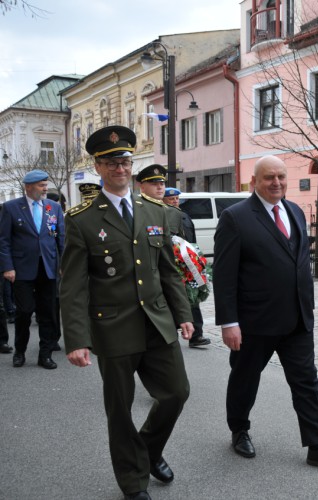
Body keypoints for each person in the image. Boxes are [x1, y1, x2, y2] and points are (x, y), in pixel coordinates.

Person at [61, 126, 195, 500]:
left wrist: (183, 313)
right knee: (120, 411)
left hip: (156, 322)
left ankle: (147, 452)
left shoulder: (156, 211)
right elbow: (73, 285)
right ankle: (133, 482)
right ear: (98, 167)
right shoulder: (82, 218)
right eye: (111, 162)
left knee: (176, 394)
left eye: (124, 161)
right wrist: (76, 338)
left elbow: (167, 269)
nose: (120, 168)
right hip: (112, 327)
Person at [213, 155, 318, 470]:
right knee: (245, 379)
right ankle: (239, 429)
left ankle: (317, 445)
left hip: (297, 319)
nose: (276, 183)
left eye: (281, 177)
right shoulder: (235, 217)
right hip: (254, 323)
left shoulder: (294, 211)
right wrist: (229, 322)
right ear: (254, 182)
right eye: (269, 178)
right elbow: (223, 276)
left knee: (306, 382)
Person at [136, 171, 211, 348]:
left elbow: (183, 238)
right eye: (154, 183)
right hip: (157, 266)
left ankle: (194, 332)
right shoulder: (142, 211)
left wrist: (191, 258)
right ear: (142, 186)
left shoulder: (176, 213)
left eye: (161, 183)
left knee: (189, 296)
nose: (160, 186)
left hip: (179, 262)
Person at [0, 169, 65, 369]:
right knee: (25, 312)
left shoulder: (52, 207)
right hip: (22, 270)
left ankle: (45, 354)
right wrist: (8, 267)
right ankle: (19, 351)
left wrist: (63, 264)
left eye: (46, 185)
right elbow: (3, 240)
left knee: (48, 313)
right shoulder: (11, 208)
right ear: (28, 187)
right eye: (41, 185)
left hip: (48, 267)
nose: (45, 188)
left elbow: (59, 237)